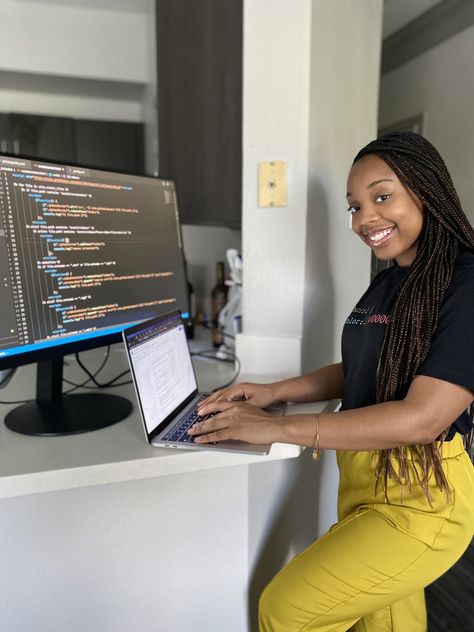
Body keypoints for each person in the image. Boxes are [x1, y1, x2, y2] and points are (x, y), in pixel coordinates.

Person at [188, 131, 474, 632]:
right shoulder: (391, 280)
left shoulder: (466, 282)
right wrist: (276, 392)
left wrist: (274, 428)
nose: (365, 219)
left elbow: (423, 419)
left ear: (425, 191)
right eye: (354, 207)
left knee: (287, 610)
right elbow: (368, 368)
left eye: (382, 197)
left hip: (422, 499)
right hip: (365, 481)